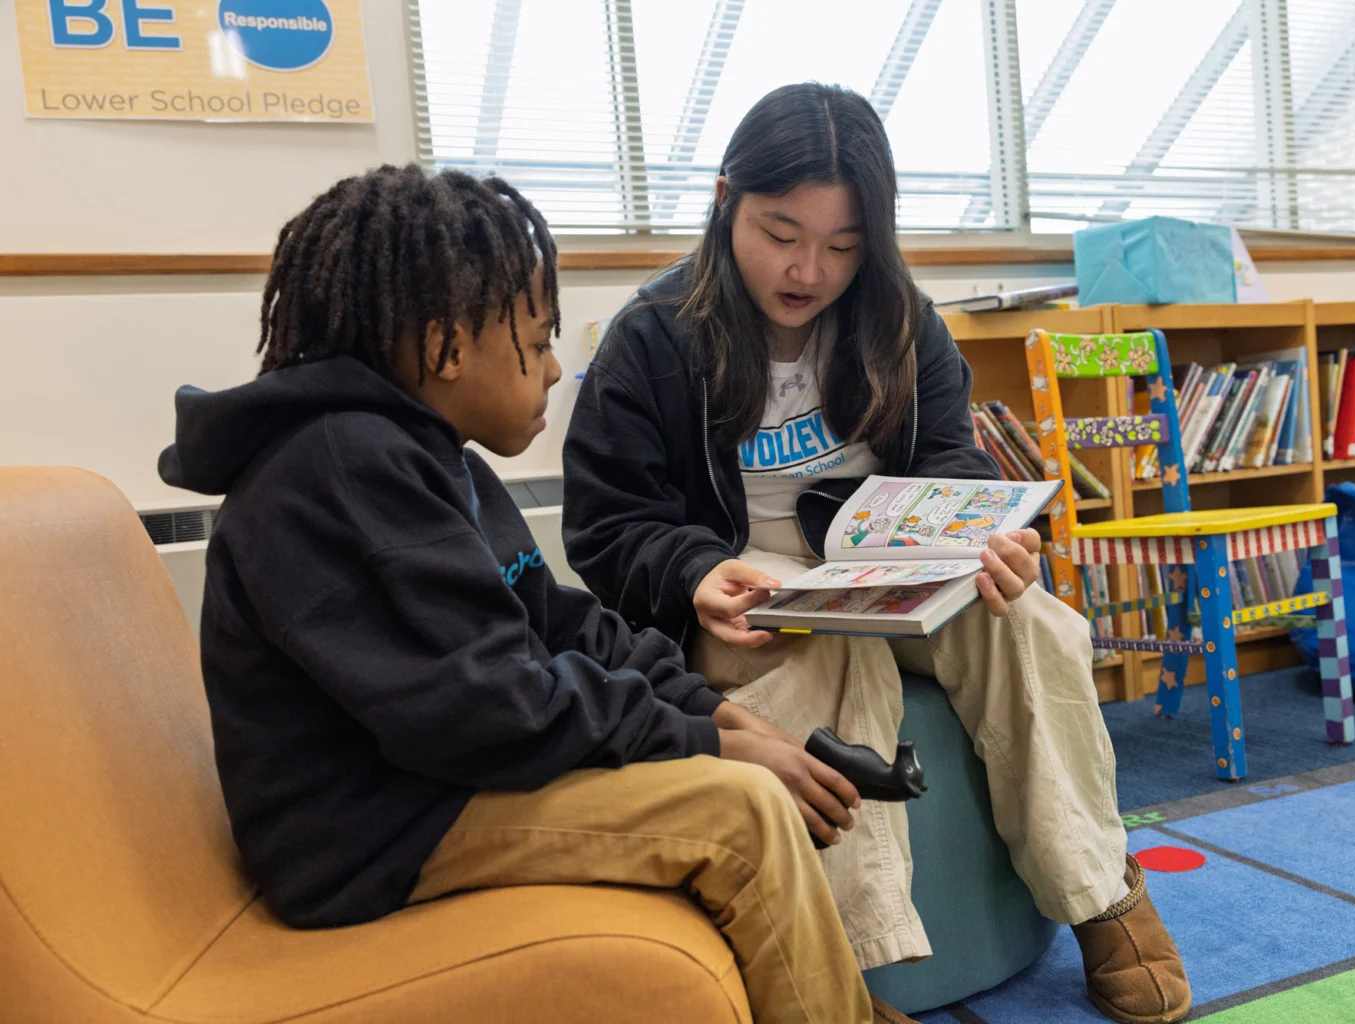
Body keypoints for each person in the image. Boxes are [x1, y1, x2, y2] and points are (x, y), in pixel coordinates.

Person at [157, 164, 873, 1024]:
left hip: (430, 788)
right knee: (744, 813)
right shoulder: (341, 467)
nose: (553, 370)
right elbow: (483, 708)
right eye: (535, 344)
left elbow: (556, 620)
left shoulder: (437, 461)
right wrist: (702, 748)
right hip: (369, 836)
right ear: (446, 346)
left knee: (740, 765)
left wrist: (709, 713)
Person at [563, 84, 1191, 1024]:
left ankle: (1103, 894)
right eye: (781, 232)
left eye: (844, 246)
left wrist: (990, 536)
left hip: (881, 564)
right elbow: (609, 525)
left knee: (1023, 621)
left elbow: (951, 464)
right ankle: (842, 967)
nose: (809, 269)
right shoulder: (652, 337)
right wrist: (693, 574)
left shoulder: (900, 321)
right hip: (739, 578)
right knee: (818, 646)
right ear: (728, 196)